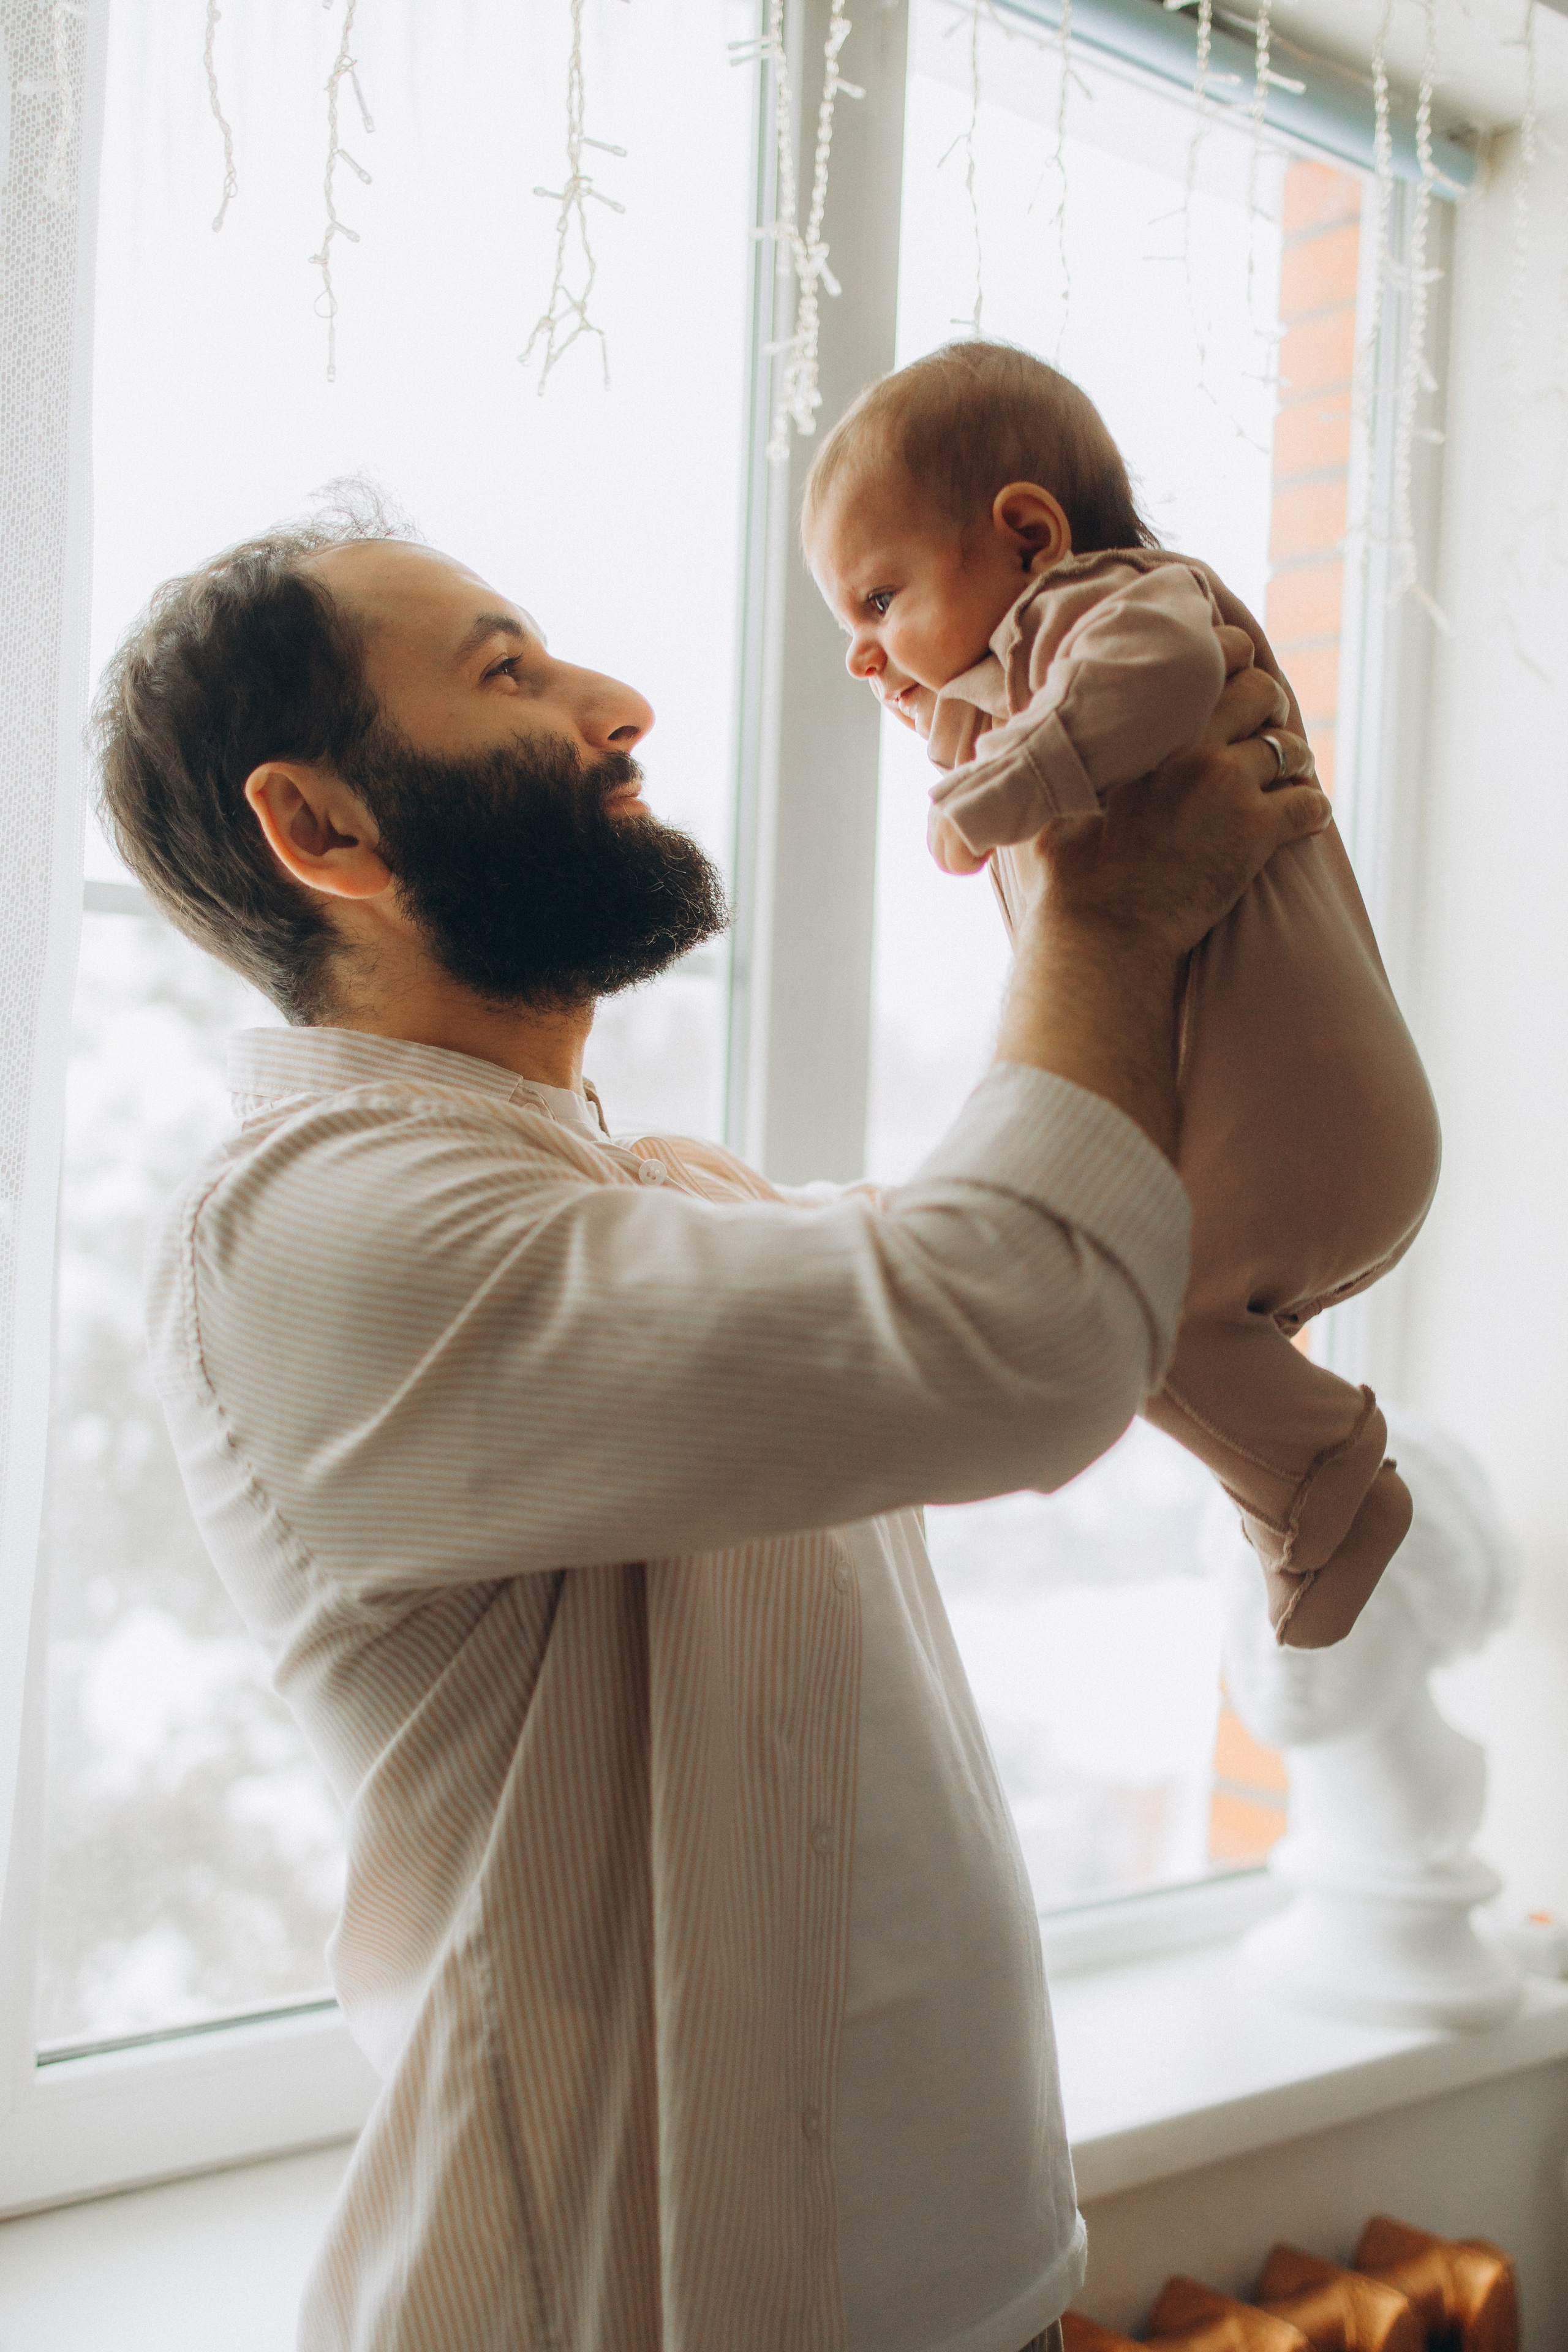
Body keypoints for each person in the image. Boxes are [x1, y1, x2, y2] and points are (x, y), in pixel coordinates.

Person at [92, 498, 1325, 2352]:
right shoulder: (311, 1235)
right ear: (320, 828)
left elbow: (1076, 1260)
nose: (624, 704)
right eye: (509, 670)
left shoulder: (659, 1196)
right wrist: (1110, 904)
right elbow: (1020, 1327)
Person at [804, 341, 1442, 1653]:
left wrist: (994, 786)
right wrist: (949, 716)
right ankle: (1302, 1496)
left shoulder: (1110, 604)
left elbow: (1152, 675)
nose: (864, 657)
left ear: (1028, 532)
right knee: (1127, 1313)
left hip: (1316, 1117)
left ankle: (1324, 1489)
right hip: (1300, 1131)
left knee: (1122, 1311)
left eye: (877, 599)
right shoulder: (1026, 677)